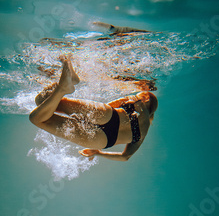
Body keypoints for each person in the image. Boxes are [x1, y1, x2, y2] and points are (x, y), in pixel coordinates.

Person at [29, 58, 158, 161]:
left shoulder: (140, 100)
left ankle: (63, 85)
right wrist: (97, 153)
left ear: (147, 97)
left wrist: (85, 116)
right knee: (37, 119)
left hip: (108, 115)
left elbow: (111, 105)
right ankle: (63, 86)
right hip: (102, 140)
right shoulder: (143, 132)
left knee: (42, 101)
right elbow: (125, 157)